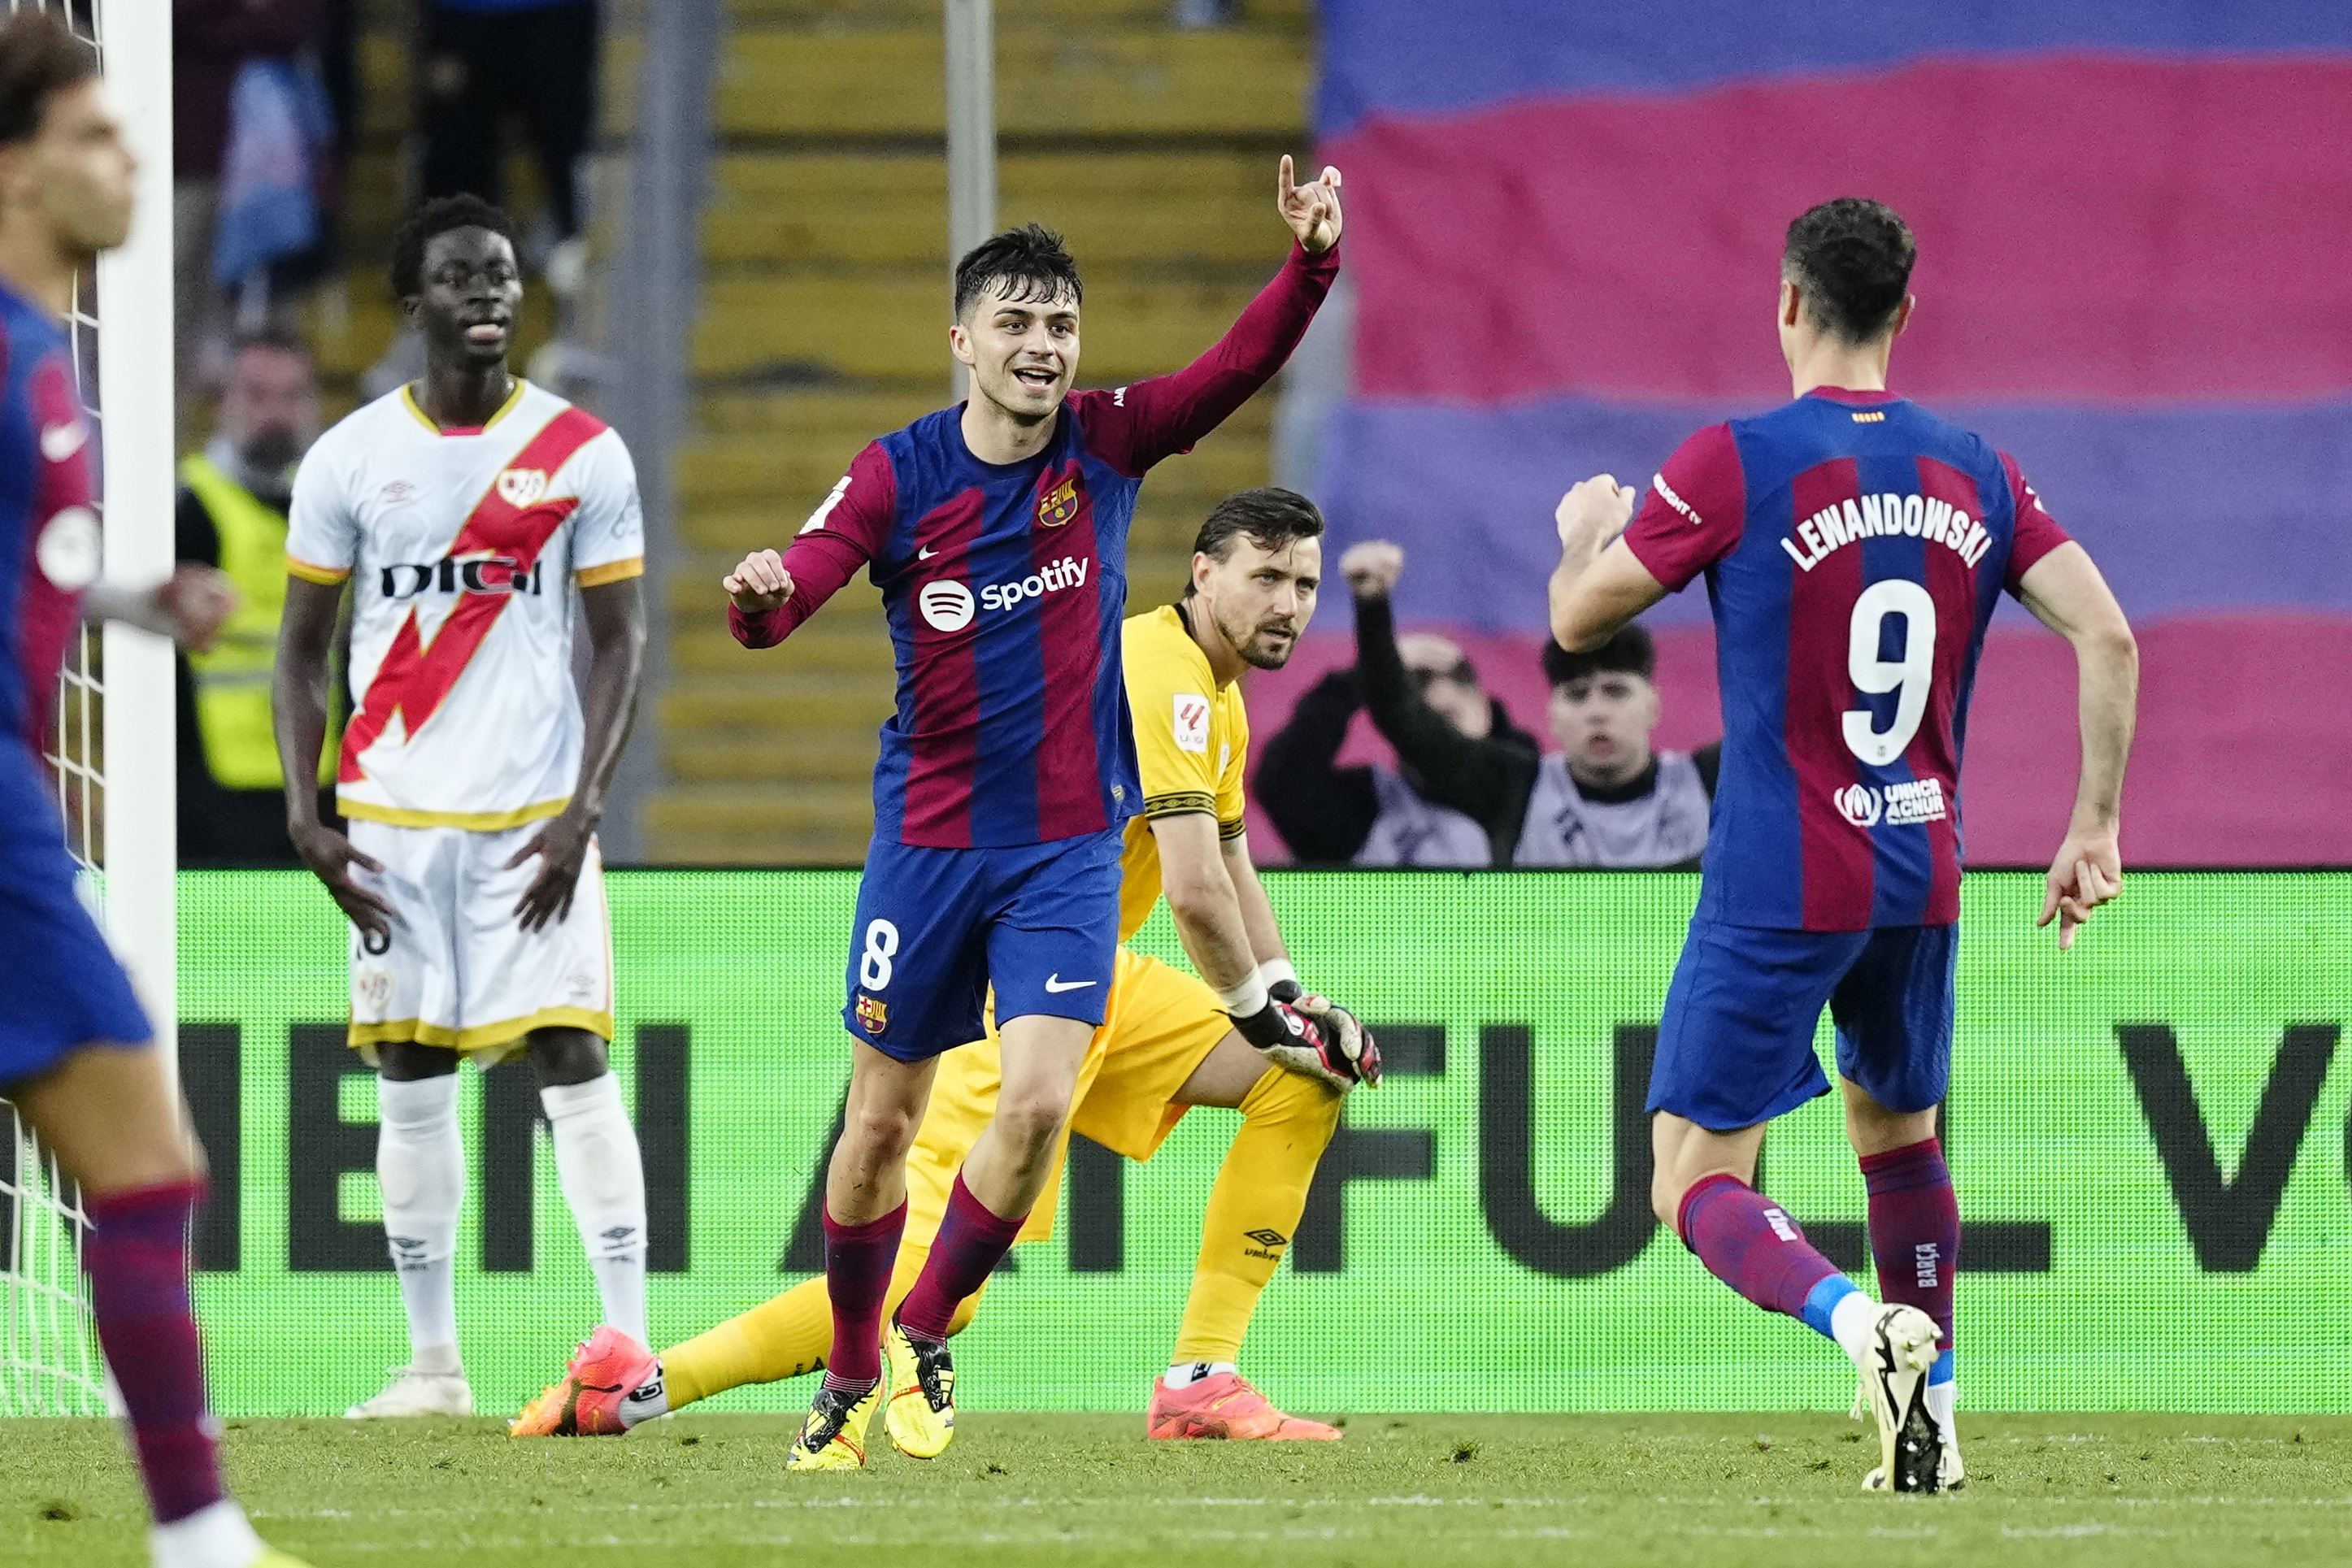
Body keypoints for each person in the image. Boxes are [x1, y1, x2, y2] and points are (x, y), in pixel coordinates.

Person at [717, 159, 1358, 1470]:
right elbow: (795, 592)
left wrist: (1308, 267)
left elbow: (1228, 371)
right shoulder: (897, 474)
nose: (1040, 345)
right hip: (928, 842)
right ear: (963, 341)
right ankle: (850, 1362)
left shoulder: (1104, 443)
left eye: (1058, 324)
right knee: (876, 1132)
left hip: (1062, 845)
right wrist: (759, 595)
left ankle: (931, 1324)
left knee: (1036, 1102)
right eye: (1013, 322)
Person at [514, 487, 1377, 1449]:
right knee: (928, 1287)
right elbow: (1194, 893)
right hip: (1011, 985)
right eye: (1265, 577)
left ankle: (1200, 1380)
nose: (1288, 603)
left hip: (1096, 974)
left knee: (1301, 1079)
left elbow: (1231, 860)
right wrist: (1264, 1012)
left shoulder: (1214, 693)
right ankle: (635, 1390)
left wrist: (1295, 1005)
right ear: (1205, 573)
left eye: (1302, 583)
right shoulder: (1160, 670)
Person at [1545, 197, 2137, 1493]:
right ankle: (1943, 1411)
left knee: (1687, 1180)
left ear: (1788, 303)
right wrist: (2091, 824)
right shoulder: (1976, 465)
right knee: (1900, 1136)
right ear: (1904, 314)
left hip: (1779, 874)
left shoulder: (1735, 457)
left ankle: (1861, 1327)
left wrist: (1585, 529)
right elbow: (2109, 636)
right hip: (1922, 868)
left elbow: (1580, 620)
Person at [0, 15, 307, 1567]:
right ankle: (198, 1534)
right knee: (147, 1163)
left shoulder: (39, 352)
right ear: (21, 160)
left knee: (141, 1161)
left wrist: (127, 598)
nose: (138, 164)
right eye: (105, 137)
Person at [271, 193, 652, 1420]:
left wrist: (584, 809)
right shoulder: (348, 458)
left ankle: (630, 1348)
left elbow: (620, 641)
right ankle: (433, 1364)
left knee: (571, 1052)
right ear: (414, 299)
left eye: (501, 272)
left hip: (534, 813)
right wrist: (306, 813)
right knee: (408, 1072)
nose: (488, 291)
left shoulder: (583, 450)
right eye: (457, 276)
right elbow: (298, 652)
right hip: (390, 819)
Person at [1255, 556, 1531, 867]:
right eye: (1419, 716)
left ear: (1486, 712)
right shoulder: (1363, 807)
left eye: (1451, 717)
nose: (1435, 733)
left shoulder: (1530, 792)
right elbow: (1281, 783)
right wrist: (1360, 678)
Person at [176, 328, 333, 867]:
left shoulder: (334, 508)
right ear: (221, 401)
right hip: (212, 799)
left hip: (318, 787)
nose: (277, 412)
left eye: (293, 396)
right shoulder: (186, 509)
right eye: (258, 394)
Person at [1515, 628, 1715, 868]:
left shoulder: (1716, 780)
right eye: (1577, 695)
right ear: (1552, 715)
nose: (1597, 713)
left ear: (1653, 706)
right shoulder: (1514, 788)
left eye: (1616, 692)